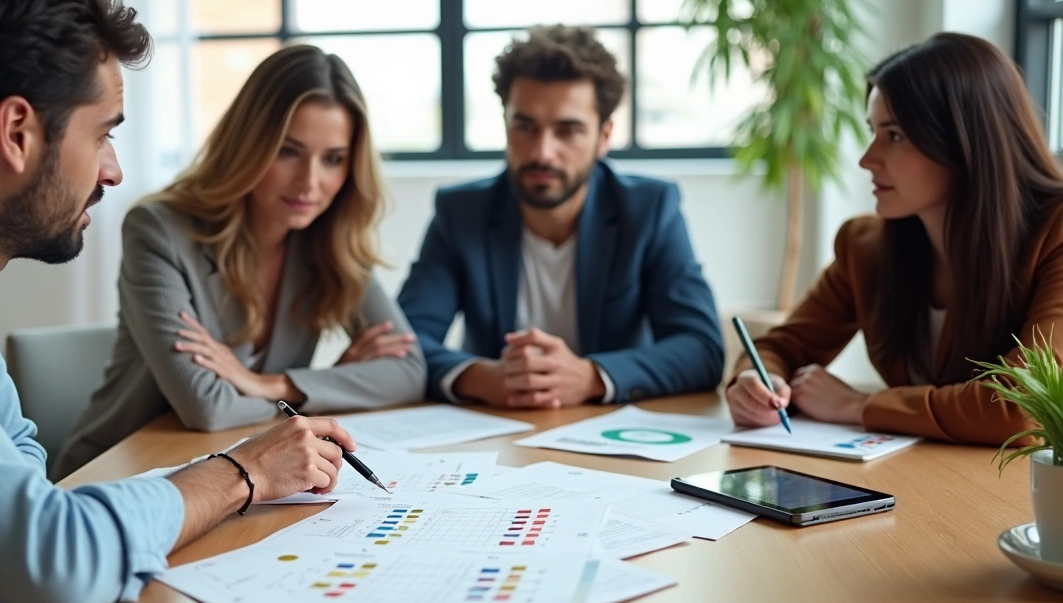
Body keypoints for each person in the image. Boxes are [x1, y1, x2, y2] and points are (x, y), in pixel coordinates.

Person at [0, 2, 355, 603]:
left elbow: (20, 452)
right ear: (17, 133)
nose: (114, 169)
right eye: (102, 133)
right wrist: (241, 474)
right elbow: (49, 563)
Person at [53, 45, 425, 479]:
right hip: (123, 473)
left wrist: (280, 385)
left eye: (333, 160)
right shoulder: (157, 230)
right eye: (288, 151)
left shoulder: (328, 240)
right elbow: (206, 408)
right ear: (250, 144)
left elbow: (409, 371)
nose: (310, 182)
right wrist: (326, 387)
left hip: (245, 474)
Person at [727, 32, 1063, 445]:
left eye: (895, 135)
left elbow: (1026, 405)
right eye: (872, 131)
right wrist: (756, 380)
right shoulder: (864, 246)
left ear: (966, 141)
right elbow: (784, 346)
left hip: (1023, 498)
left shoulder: (1056, 233)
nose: (867, 159)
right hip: (917, 480)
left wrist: (859, 406)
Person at [396, 25, 724, 410]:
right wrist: (483, 377)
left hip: (611, 437)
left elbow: (701, 348)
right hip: (494, 435)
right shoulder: (461, 212)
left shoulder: (649, 208)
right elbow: (403, 343)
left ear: (604, 136)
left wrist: (591, 377)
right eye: (525, 127)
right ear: (506, 125)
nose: (543, 152)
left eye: (567, 130)